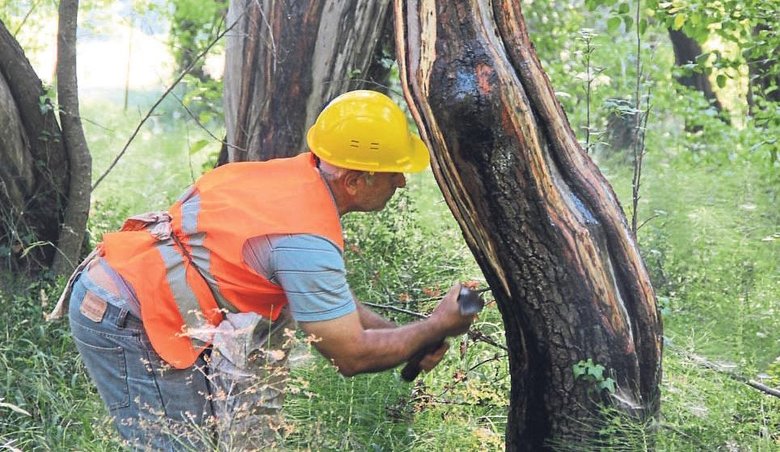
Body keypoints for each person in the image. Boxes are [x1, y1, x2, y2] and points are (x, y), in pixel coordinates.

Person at [49, 90, 475, 450]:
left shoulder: (286, 179)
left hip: (125, 287)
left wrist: (417, 336)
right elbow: (350, 354)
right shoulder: (304, 241)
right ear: (354, 180)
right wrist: (438, 324)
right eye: (393, 172)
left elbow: (326, 302)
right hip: (125, 315)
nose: (401, 182)